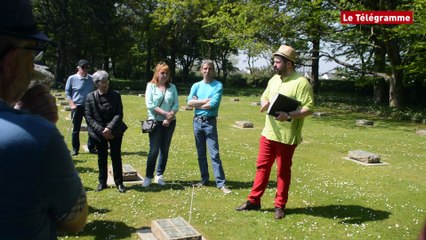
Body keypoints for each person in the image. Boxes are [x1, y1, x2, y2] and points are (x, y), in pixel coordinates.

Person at [0, 0, 88, 238]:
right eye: (32, 52)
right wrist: (35, 125)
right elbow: (75, 220)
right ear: (11, 60)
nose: (33, 67)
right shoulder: (34, 138)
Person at [236, 45, 314, 219]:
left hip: (287, 136)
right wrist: (264, 102)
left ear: (289, 64)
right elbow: (265, 96)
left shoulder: (302, 83)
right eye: (274, 61)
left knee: (283, 172)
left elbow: (309, 109)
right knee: (262, 167)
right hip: (268, 133)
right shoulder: (274, 80)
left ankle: (279, 206)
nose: (274, 64)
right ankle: (254, 201)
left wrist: (288, 115)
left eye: (278, 62)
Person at [187, 59, 231, 194]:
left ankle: (221, 183)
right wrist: (203, 101)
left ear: (213, 70)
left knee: (214, 154)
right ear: (201, 70)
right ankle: (204, 179)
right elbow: (189, 103)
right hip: (197, 122)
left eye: (210, 69)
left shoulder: (218, 85)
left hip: (209, 122)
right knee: (201, 154)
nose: (207, 71)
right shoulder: (196, 85)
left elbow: (212, 104)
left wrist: (197, 103)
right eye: (205, 69)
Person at [85, 70, 127, 193]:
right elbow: (89, 117)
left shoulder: (116, 95)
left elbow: (119, 114)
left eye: (106, 81)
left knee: (116, 156)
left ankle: (119, 183)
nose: (105, 84)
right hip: (99, 133)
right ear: (96, 83)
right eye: (102, 82)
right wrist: (101, 130)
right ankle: (102, 182)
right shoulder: (90, 97)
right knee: (101, 158)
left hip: (114, 131)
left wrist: (109, 128)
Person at [142, 62, 179, 187]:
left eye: (166, 73)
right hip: (153, 121)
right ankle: (148, 177)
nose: (164, 75)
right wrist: (165, 114)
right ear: (157, 73)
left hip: (170, 122)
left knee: (165, 150)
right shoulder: (150, 86)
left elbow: (176, 105)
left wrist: (169, 118)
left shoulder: (172, 87)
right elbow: (150, 105)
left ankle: (159, 175)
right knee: (153, 150)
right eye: (162, 73)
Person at [65, 59, 96, 156]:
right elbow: (68, 93)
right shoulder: (72, 78)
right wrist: (72, 104)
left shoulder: (92, 79)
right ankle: (75, 149)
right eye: (83, 67)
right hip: (77, 106)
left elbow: (96, 92)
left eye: (87, 67)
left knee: (92, 127)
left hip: (89, 107)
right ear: (78, 68)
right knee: (76, 129)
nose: (85, 69)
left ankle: (91, 147)